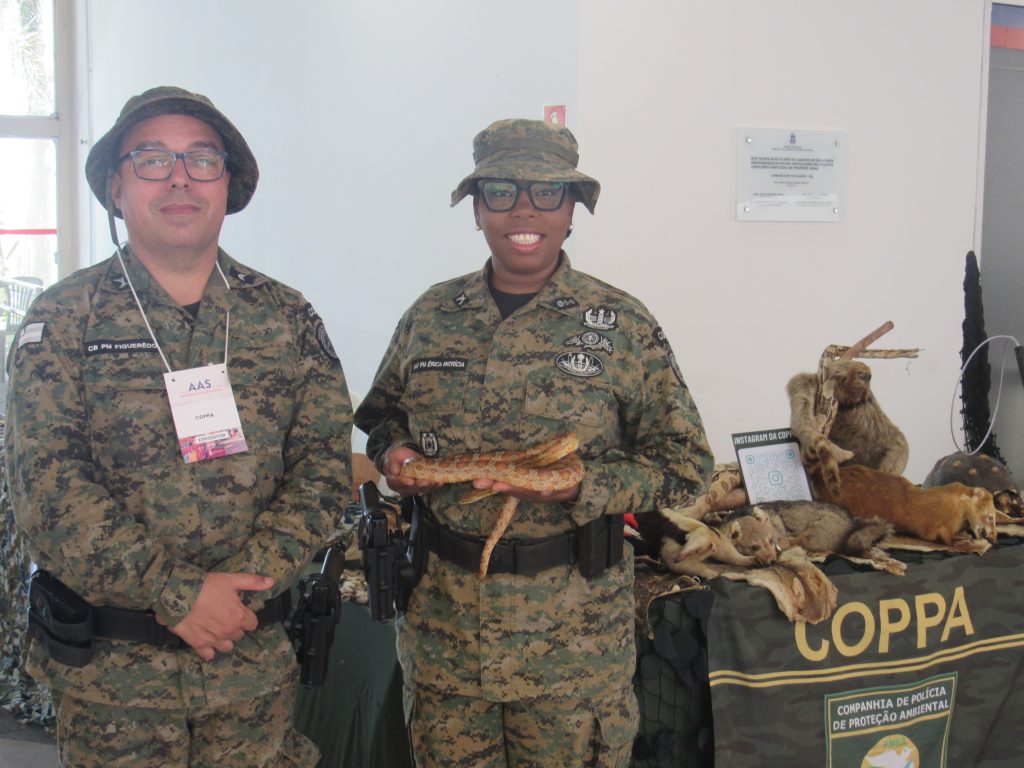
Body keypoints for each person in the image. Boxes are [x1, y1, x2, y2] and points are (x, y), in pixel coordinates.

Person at [4, 86, 352, 767]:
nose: (180, 178)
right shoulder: (64, 319)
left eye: (202, 159)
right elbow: (45, 487)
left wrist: (245, 583)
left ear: (229, 184)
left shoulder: (283, 317)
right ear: (115, 185)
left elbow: (324, 467)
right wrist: (179, 591)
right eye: (152, 159)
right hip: (115, 686)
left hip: (249, 671)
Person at [354, 119, 714, 767]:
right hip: (446, 642)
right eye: (499, 191)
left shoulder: (622, 324)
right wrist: (396, 458)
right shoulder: (432, 317)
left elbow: (686, 468)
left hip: (572, 651)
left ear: (573, 209)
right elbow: (382, 419)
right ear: (476, 209)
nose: (523, 209)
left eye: (547, 193)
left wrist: (582, 485)